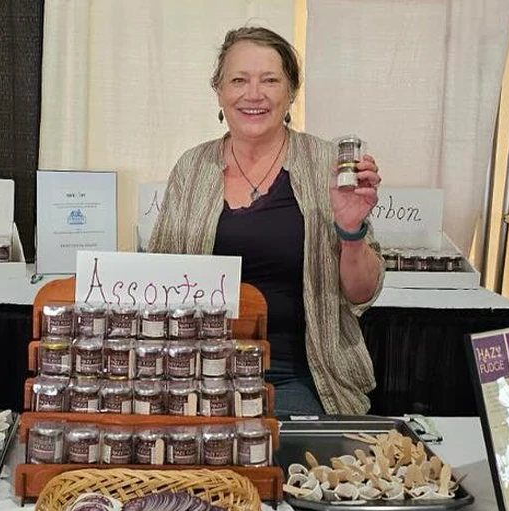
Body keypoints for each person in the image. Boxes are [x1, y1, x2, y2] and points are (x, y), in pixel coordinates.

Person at [148, 26, 383, 415]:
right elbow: (158, 283)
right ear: (219, 92)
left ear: (290, 93)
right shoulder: (192, 168)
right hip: (197, 377)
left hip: (298, 377)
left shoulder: (329, 165)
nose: (253, 94)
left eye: (270, 80)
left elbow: (362, 293)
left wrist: (351, 231)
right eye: (239, 80)